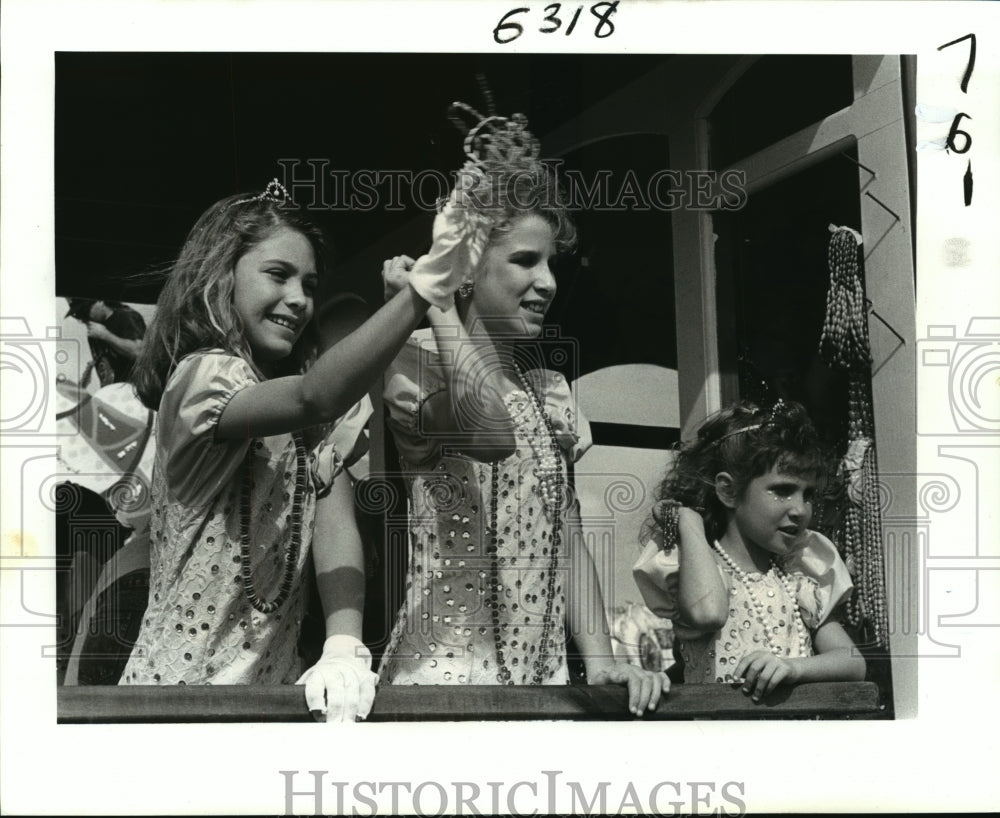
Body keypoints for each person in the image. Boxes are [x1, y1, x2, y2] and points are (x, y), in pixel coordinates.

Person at [119, 179, 467, 722]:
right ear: (219, 276)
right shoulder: (204, 377)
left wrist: (344, 645)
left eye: (309, 283)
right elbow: (316, 393)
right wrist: (422, 290)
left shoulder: (305, 421)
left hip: (269, 700)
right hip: (180, 698)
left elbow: (331, 514)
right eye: (277, 275)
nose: (300, 298)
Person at [378, 109, 665, 715]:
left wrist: (603, 661)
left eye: (552, 262)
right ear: (467, 268)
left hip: (541, 682)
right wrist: (436, 307)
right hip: (443, 681)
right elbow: (488, 429)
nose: (549, 281)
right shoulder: (417, 368)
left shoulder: (547, 392)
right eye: (526, 261)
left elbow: (568, 537)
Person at [633, 400, 866, 702]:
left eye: (808, 494)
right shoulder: (699, 570)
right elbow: (709, 613)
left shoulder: (799, 574)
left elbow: (852, 662)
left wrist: (793, 668)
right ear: (728, 491)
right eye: (782, 490)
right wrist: (688, 523)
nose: (800, 509)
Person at [66, 297, 147, 386]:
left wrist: (105, 335)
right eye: (78, 315)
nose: (83, 318)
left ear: (100, 301)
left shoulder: (126, 316)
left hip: (135, 389)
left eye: (85, 310)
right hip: (113, 393)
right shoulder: (94, 331)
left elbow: (140, 352)